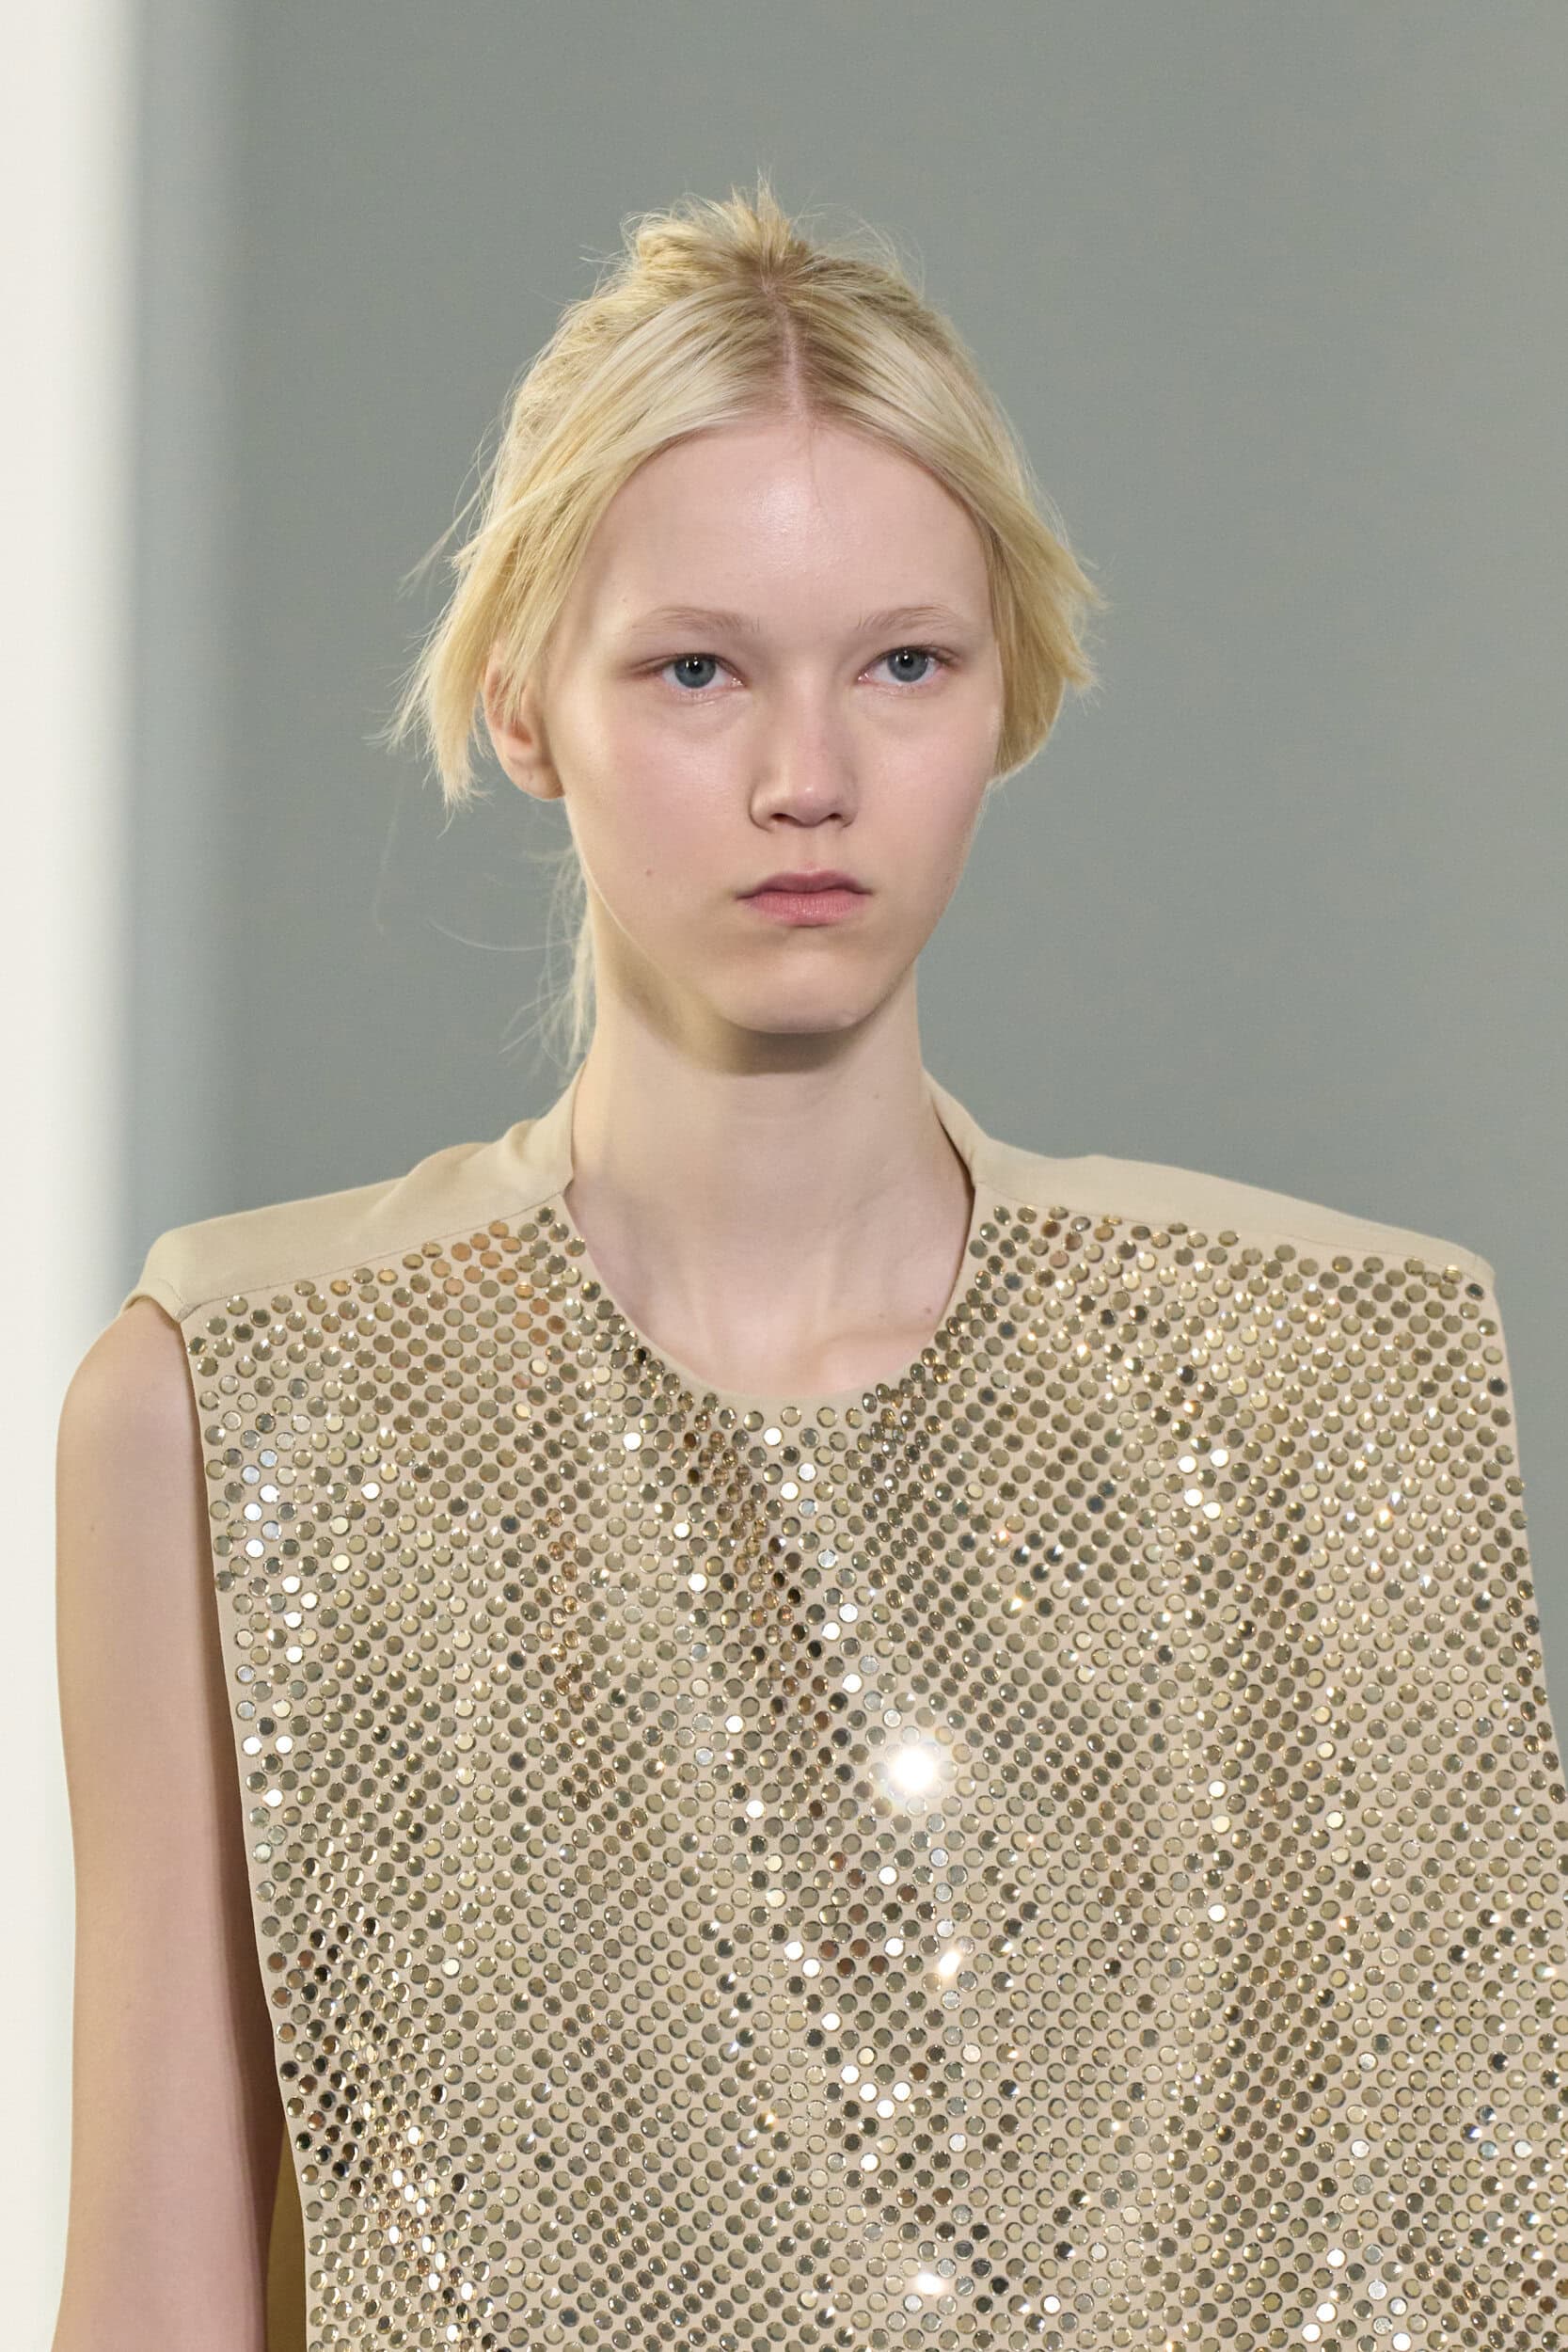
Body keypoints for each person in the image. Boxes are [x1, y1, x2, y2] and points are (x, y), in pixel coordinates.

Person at [54, 179, 1568, 2352]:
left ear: (1008, 696)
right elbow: (157, 2290)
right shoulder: (247, 1408)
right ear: (523, 705)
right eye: (697, 668)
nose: (809, 776)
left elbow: (1482, 2253)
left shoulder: (1318, 1390)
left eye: (903, 663)